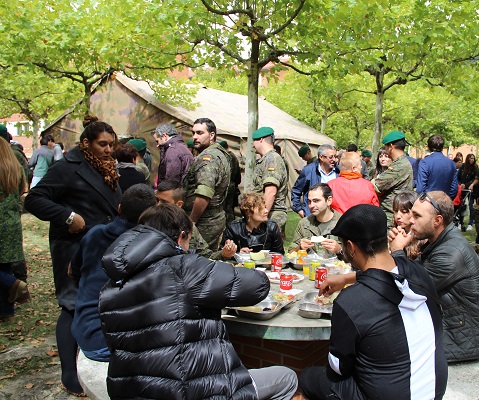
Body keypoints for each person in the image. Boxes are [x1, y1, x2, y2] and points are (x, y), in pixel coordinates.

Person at [99, 204, 298, 399]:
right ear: (181, 236)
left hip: (130, 391)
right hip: (195, 390)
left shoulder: (110, 288)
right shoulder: (183, 268)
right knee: (287, 378)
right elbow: (257, 285)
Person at [299, 204, 447, 400]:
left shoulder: (351, 302)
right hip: (434, 389)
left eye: (343, 245)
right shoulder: (419, 273)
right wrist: (346, 278)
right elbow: (383, 273)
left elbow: (339, 368)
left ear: (350, 248)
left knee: (308, 376)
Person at [24, 115, 122, 396]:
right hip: (73, 247)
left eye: (111, 145)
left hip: (101, 246)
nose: (107, 149)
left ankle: (91, 358)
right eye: (102, 144)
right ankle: (69, 374)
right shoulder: (67, 167)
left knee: (94, 303)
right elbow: (34, 199)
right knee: (71, 305)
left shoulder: (107, 167)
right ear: (85, 143)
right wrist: (67, 216)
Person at [390, 191, 479, 362]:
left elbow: (410, 289)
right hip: (449, 326)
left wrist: (398, 253)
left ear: (437, 221)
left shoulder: (451, 252)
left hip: (461, 339)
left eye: (416, 216)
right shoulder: (438, 242)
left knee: (381, 344)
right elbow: (414, 274)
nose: (410, 220)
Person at [70, 184, 156, 362]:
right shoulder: (148, 246)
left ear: (119, 208)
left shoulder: (94, 233)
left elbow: (73, 271)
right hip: (109, 342)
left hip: (83, 330)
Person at [182, 118, 231, 250]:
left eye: (199, 133)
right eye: (193, 133)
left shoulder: (208, 159)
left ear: (211, 135)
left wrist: (191, 222)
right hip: (212, 217)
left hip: (204, 221)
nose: (194, 137)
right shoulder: (219, 154)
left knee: (198, 259)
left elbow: (204, 194)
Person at [157, 180, 237, 260]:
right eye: (157, 200)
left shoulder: (186, 226)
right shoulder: (148, 222)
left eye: (164, 202)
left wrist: (224, 254)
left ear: (179, 204)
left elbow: (205, 256)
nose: (158, 205)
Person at [0, 139, 30, 321]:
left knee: (5, 272)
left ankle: (14, 283)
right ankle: (6, 311)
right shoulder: (14, 167)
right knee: (4, 265)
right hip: (11, 221)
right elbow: (21, 192)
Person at [250, 127, 289, 231]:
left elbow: (270, 192)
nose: (253, 145)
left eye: (254, 141)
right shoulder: (267, 159)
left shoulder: (272, 159)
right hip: (266, 214)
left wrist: (260, 217)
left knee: (265, 247)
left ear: (261, 140)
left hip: (271, 215)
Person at [372, 130, 413, 227]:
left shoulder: (399, 166)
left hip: (391, 219)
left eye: (386, 147)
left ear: (391, 146)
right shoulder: (400, 163)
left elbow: (375, 185)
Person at [289, 183, 342, 258]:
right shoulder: (304, 223)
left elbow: (357, 256)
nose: (311, 205)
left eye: (316, 201)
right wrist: (300, 248)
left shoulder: (343, 223)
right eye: (309, 201)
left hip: (336, 268)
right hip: (309, 268)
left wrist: (339, 250)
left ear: (329, 200)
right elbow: (290, 253)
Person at [291, 144, 339, 217]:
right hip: (314, 217)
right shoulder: (308, 170)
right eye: (331, 157)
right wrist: (300, 210)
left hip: (334, 216)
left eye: (335, 157)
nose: (334, 160)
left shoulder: (340, 171)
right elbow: (296, 191)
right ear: (321, 157)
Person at [416, 134, 458, 198]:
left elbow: (420, 188)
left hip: (429, 201)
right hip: (445, 202)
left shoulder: (425, 162)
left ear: (428, 146)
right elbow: (454, 189)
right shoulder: (451, 164)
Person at [219, 140, 242, 223]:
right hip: (232, 186)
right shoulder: (234, 157)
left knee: (226, 209)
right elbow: (238, 176)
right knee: (230, 209)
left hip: (226, 187)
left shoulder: (225, 157)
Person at [458, 153, 478, 230]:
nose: (472, 160)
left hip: (471, 189)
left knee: (471, 205)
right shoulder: (463, 167)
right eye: (471, 158)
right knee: (461, 205)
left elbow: (475, 178)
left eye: (473, 158)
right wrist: (461, 184)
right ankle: (460, 221)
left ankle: (470, 222)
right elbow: (458, 177)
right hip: (462, 189)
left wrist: (468, 184)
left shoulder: (475, 168)